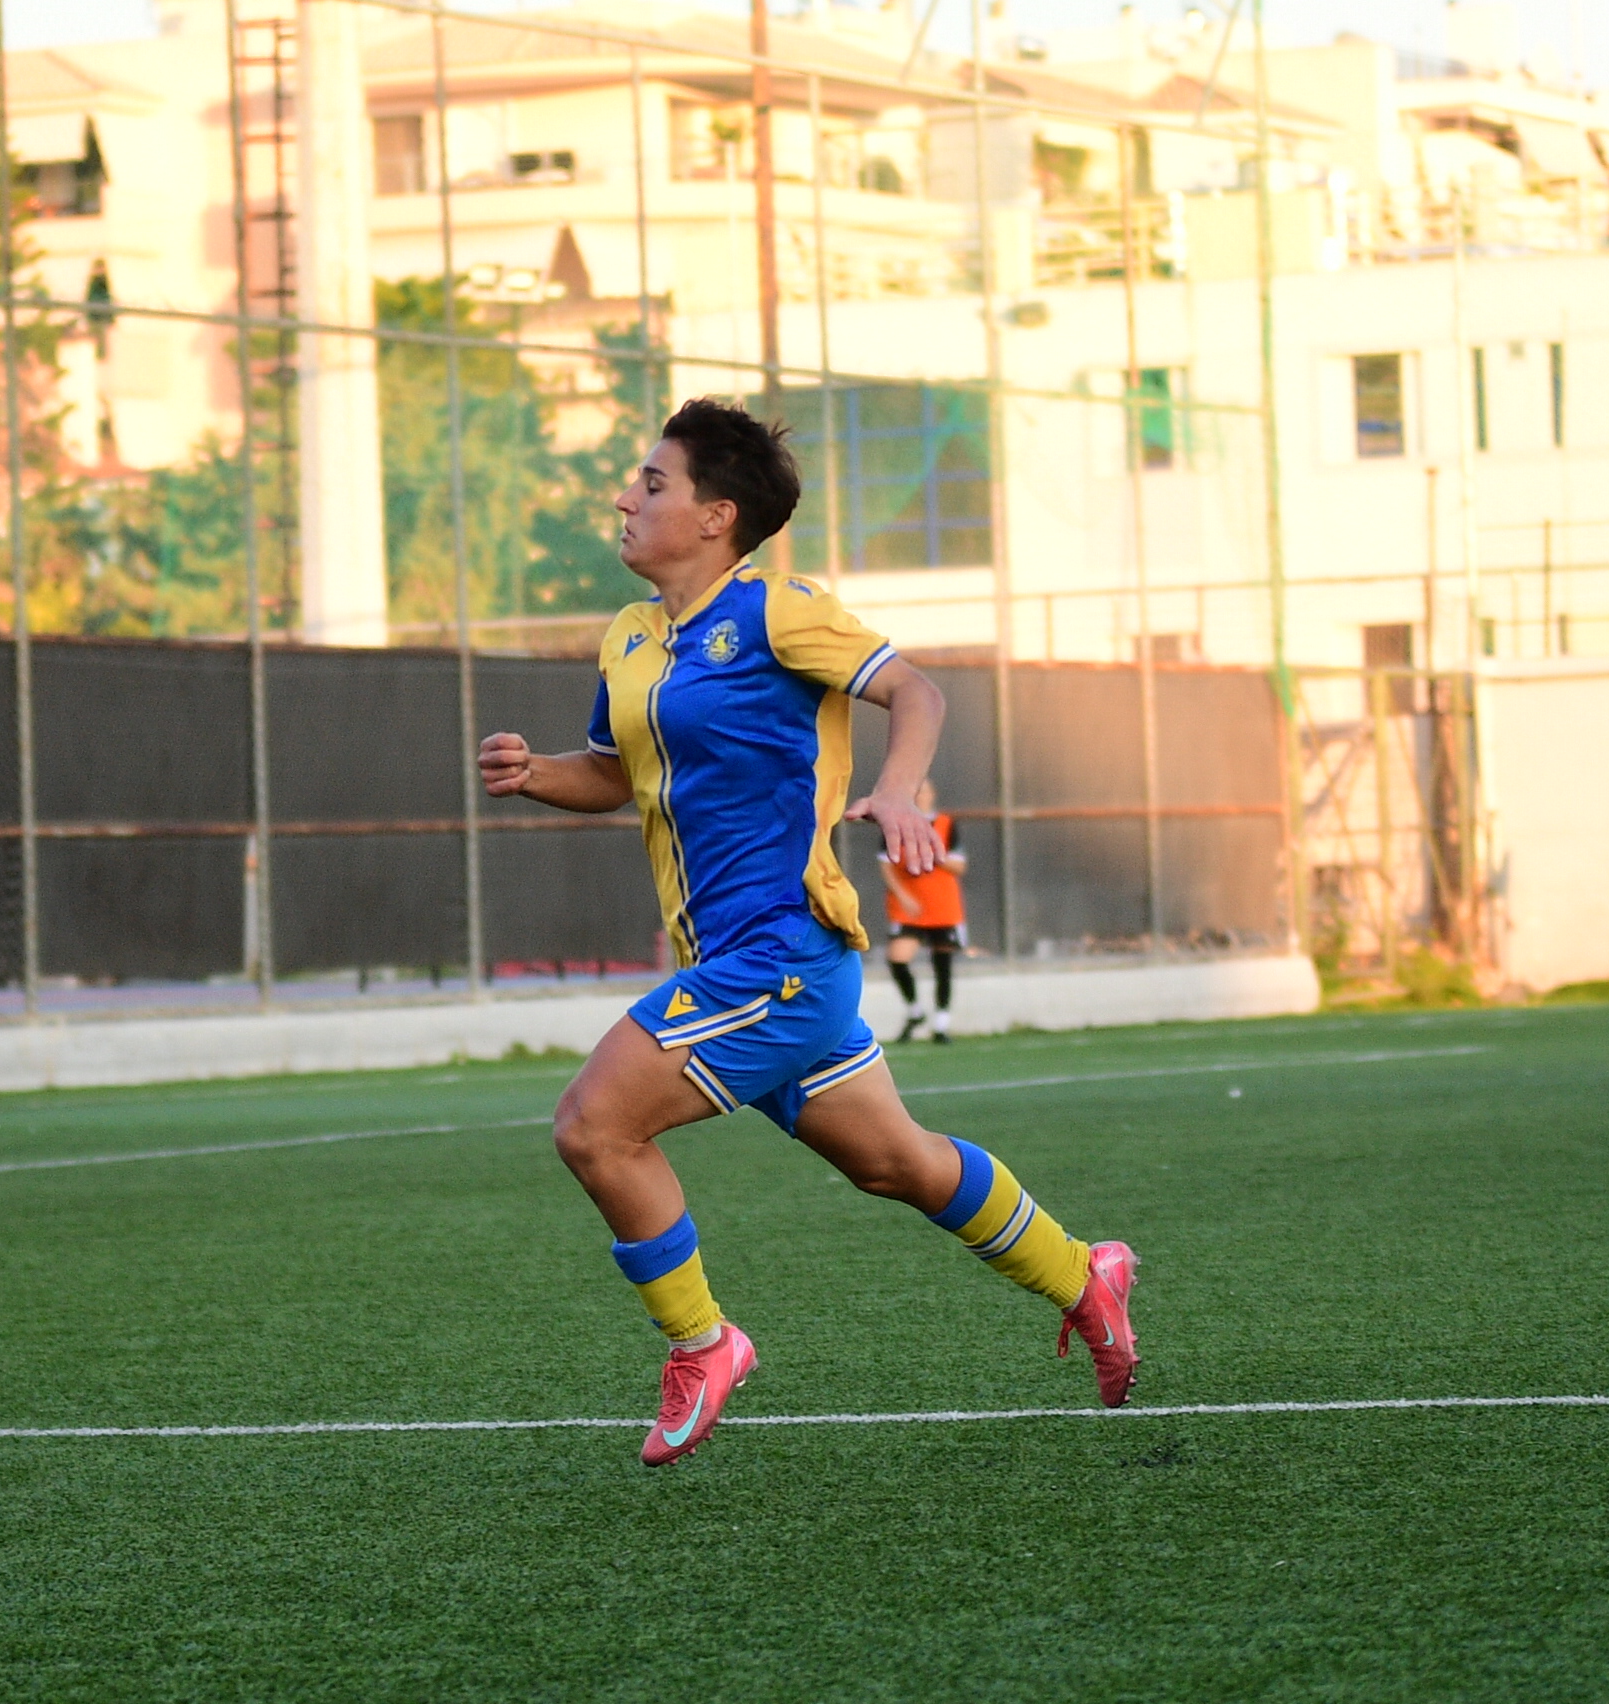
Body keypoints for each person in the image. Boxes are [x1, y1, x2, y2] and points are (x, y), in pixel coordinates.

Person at [477, 399, 1137, 1467]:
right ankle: (1083, 1274)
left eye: (653, 482)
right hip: (748, 968)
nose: (626, 497)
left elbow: (914, 692)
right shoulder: (630, 636)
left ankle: (703, 1343)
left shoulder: (779, 611)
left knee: (594, 1127)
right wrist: (534, 773)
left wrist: (899, 791)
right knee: (897, 1165)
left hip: (780, 953)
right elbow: (613, 772)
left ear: (716, 516)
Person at [881, 777, 967, 1043]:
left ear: (932, 794)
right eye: (915, 791)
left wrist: (932, 852)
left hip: (942, 905)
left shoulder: (947, 825)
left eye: (924, 791)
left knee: (942, 963)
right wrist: (902, 895)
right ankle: (914, 1011)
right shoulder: (895, 824)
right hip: (909, 907)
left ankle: (941, 1025)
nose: (920, 796)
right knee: (897, 958)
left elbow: (959, 866)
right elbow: (886, 866)